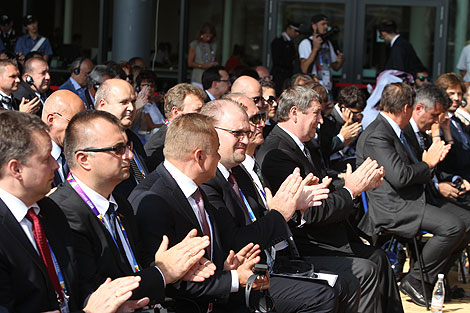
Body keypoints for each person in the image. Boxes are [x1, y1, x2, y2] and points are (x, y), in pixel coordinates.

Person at [256, 86, 405, 313]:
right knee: (369, 267)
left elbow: (321, 186)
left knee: (379, 258)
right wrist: (351, 190)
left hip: (326, 235)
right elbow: (310, 212)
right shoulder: (277, 153)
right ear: (295, 113)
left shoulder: (304, 145)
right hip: (307, 243)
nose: (321, 121)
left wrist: (351, 183)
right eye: (316, 113)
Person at [49, 110, 214, 304]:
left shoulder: (121, 204)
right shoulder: (63, 213)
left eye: (128, 146)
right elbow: (97, 293)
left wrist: (177, 264)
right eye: (118, 149)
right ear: (84, 159)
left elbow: (136, 269)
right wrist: (162, 272)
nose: (128, 155)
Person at [0, 110, 157, 312]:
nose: (56, 165)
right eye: (46, 158)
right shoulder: (59, 210)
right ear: (16, 169)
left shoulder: (49, 212)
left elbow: (78, 287)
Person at [221, 93, 357, 313]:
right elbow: (246, 233)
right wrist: (283, 211)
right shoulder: (238, 171)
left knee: (349, 279)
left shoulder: (249, 168)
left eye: (260, 117)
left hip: (279, 255)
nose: (261, 125)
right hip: (254, 268)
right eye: (252, 121)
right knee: (330, 291)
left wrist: (299, 202)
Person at [130, 113, 269, 312]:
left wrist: (225, 268)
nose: (219, 158)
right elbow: (167, 280)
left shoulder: (196, 188)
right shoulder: (153, 201)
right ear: (200, 156)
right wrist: (234, 279)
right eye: (216, 152)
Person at [356, 82, 470, 307]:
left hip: (414, 198)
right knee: (453, 227)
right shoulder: (378, 134)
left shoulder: (398, 131)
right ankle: (416, 278)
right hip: (393, 206)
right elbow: (400, 176)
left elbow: (417, 169)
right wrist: (427, 164)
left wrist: (432, 159)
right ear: (408, 108)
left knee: (467, 221)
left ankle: (432, 279)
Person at [403, 83, 470, 209]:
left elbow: (449, 164)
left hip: (443, 187)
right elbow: (407, 175)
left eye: (459, 94)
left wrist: (456, 179)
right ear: (419, 108)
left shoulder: (453, 124)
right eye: (435, 115)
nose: (437, 120)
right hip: (419, 199)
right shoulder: (405, 133)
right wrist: (438, 186)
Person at [95, 78, 149, 198]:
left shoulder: (133, 138)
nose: (131, 108)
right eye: (124, 102)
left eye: (133, 102)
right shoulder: (94, 143)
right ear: (102, 105)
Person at [144, 83, 206, 171]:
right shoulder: (157, 147)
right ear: (176, 112)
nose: (203, 115)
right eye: (197, 110)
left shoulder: (194, 137)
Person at [41, 90, 86, 187]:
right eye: (73, 123)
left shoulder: (79, 154)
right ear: (51, 120)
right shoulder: (28, 155)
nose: (79, 131)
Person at [435, 73, 470, 180]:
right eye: (451, 93)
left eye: (459, 94)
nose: (456, 98)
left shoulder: (459, 122)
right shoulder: (436, 122)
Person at [298, 14, 344, 91]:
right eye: (323, 24)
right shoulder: (306, 43)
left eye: (327, 24)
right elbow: (304, 69)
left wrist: (340, 61)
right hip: (312, 88)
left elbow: (335, 67)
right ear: (314, 26)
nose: (326, 27)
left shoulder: (328, 43)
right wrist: (315, 49)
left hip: (327, 87)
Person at [271, 22, 301, 94]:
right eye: (295, 31)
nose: (297, 34)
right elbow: (278, 60)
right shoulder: (279, 42)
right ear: (288, 29)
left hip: (288, 75)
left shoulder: (291, 42)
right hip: (280, 75)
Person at [188, 23, 218, 88]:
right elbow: (190, 63)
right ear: (202, 34)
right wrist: (203, 66)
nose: (208, 38)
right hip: (198, 77)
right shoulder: (195, 44)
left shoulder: (213, 45)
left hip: (209, 78)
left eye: (210, 37)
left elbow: (214, 58)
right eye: (207, 36)